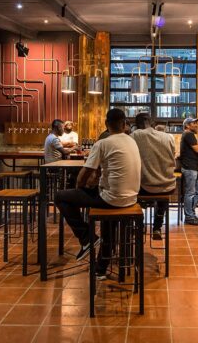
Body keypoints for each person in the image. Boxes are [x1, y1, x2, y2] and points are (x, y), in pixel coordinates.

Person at [54, 108, 141, 279]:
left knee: (60, 196)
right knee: (109, 222)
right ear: (124, 124)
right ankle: (100, 268)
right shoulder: (132, 141)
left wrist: (80, 189)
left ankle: (86, 238)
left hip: (111, 199)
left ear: (106, 124)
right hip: (131, 198)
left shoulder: (102, 143)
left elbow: (85, 173)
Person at [130, 112, 176, 240]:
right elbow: (173, 155)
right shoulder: (169, 137)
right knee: (162, 194)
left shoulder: (134, 136)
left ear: (137, 125)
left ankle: (139, 224)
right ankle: (157, 227)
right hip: (168, 186)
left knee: (131, 190)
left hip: (145, 187)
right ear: (153, 123)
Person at [180, 117, 198, 225]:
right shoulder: (188, 134)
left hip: (193, 167)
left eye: (196, 123)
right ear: (187, 126)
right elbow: (197, 149)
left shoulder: (188, 134)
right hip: (189, 168)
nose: (196, 125)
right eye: (194, 123)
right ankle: (189, 217)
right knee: (190, 193)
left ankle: (191, 214)